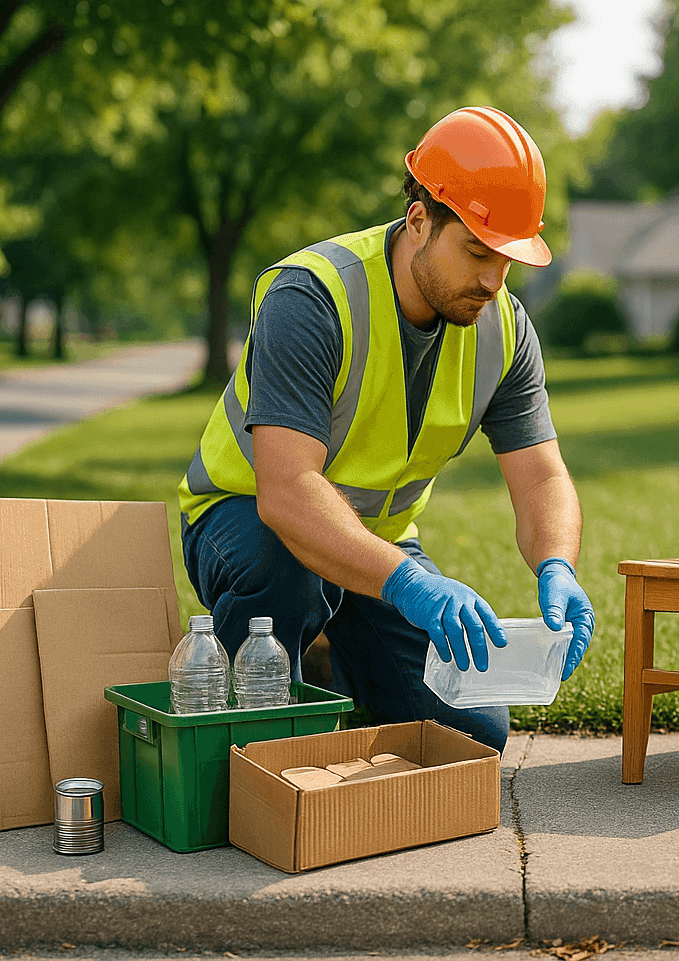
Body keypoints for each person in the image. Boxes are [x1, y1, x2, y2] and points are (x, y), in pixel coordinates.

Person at [175, 106, 594, 752]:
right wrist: (410, 584)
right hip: (244, 524)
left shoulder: (504, 329)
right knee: (285, 573)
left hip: (376, 545)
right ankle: (249, 720)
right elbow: (286, 493)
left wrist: (557, 565)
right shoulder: (311, 297)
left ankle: (328, 663)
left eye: (507, 260)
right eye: (477, 251)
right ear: (420, 219)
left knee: (471, 732)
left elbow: (541, 476)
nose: (492, 280)